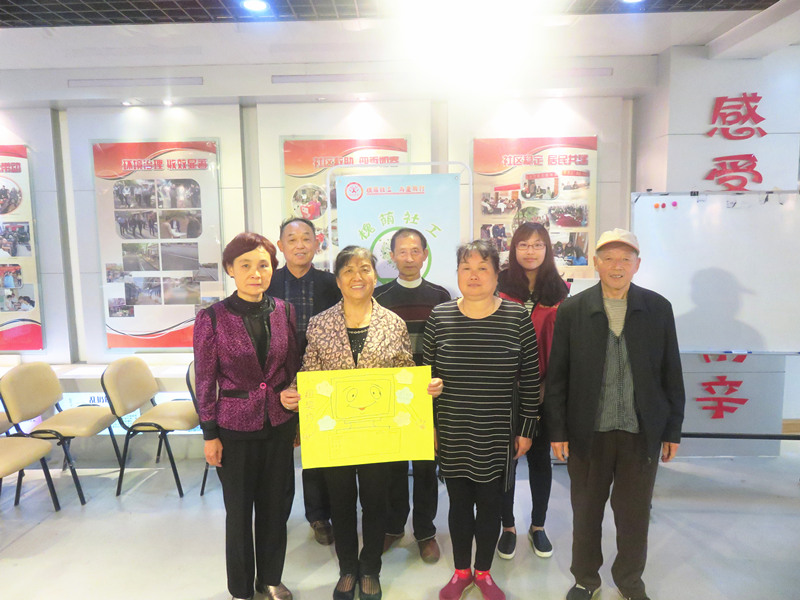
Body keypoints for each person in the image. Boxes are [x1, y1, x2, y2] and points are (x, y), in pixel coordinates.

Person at [281, 245, 443, 600]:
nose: (357, 276)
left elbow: (404, 373)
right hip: (335, 433)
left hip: (379, 433)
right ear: (338, 280)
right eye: (349, 270)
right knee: (340, 501)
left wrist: (424, 387)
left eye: (365, 268)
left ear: (374, 276)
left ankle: (370, 567)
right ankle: (346, 569)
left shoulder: (393, 323)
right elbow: (310, 372)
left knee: (374, 500)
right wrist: (293, 392)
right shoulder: (320, 323)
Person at [544, 228, 685, 600]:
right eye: (608, 258)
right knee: (586, 513)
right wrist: (557, 431)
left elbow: (672, 372)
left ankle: (630, 580)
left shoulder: (658, 308)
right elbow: (557, 376)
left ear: (637, 265)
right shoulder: (573, 310)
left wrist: (672, 430)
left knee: (634, 515)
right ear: (596, 263)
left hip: (641, 433)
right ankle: (585, 579)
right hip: (587, 433)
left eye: (625, 258)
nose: (617, 266)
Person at [424, 240, 540, 600]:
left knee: (491, 506)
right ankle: (461, 571)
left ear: (496, 274)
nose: (473, 276)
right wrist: (430, 423)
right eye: (466, 268)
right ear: (457, 273)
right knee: (459, 506)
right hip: (452, 429)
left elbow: (531, 378)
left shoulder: (516, 317)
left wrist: (526, 430)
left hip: (497, 432)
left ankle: (484, 572)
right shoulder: (440, 316)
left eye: (482, 268)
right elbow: (424, 375)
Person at [193, 232, 300, 600]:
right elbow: (205, 381)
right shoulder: (212, 318)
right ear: (230, 269)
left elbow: (291, 368)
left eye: (263, 265)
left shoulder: (285, 311)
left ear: (272, 269)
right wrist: (209, 433)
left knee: (276, 508)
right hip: (234, 429)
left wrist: (294, 405)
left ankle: (270, 578)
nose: (256, 273)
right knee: (238, 513)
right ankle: (240, 589)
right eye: (246, 265)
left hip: (279, 425)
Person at [373, 228, 451, 564]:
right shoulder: (379, 296)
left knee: (424, 466)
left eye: (415, 251)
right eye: (402, 251)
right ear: (392, 256)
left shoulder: (440, 295)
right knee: (391, 465)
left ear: (425, 254)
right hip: (390, 393)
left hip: (427, 393)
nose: (408, 257)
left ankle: (425, 531)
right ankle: (393, 526)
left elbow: (447, 344)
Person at [495, 222, 568, 561]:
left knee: (540, 460)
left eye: (538, 245)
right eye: (523, 244)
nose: (530, 251)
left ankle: (538, 526)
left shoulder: (559, 291)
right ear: (513, 248)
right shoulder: (499, 286)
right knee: (506, 461)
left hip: (542, 389)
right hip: (503, 390)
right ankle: (508, 527)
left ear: (547, 249)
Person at [267, 217, 341, 545]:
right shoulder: (268, 282)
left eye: (306, 238)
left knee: (317, 451)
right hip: (277, 379)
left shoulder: (331, 283)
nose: (300, 245)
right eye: (292, 239)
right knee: (278, 453)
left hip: (320, 377)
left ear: (316, 243)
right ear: (280, 246)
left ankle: (319, 515)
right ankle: (275, 516)